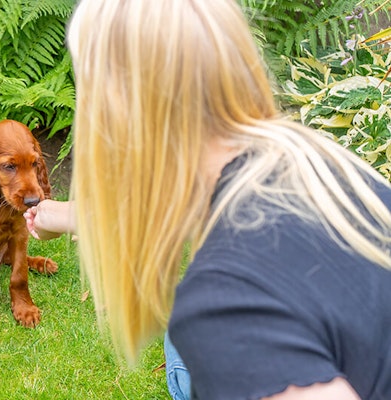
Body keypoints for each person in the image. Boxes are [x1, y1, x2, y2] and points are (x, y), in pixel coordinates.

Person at [24, 0, 391, 399]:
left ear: (118, 112)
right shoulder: (322, 168)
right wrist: (54, 215)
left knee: (180, 357)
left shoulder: (226, 307)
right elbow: (166, 206)